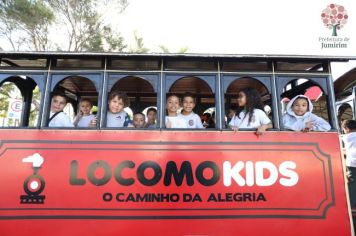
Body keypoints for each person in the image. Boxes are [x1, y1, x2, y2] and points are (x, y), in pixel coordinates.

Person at [342, 120, 356, 207]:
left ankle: (349, 205)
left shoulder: (345, 137)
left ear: (346, 129)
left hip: (353, 164)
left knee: (352, 183)